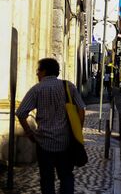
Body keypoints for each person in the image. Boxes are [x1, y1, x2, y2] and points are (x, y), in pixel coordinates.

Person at [16, 58, 86, 194]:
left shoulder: (37, 89)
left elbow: (21, 113)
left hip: (44, 143)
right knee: (66, 176)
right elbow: (81, 110)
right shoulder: (68, 87)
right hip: (65, 142)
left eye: (38, 71)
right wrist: (78, 131)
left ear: (44, 71)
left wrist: (29, 133)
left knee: (47, 179)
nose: (37, 74)